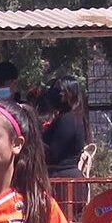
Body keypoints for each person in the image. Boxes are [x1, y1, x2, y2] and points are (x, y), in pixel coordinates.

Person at [42, 76, 91, 210]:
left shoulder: (68, 119)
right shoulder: (68, 117)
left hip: (65, 185)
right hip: (62, 183)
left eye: (60, 90)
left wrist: (32, 139)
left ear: (71, 93)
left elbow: (53, 153)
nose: (57, 94)